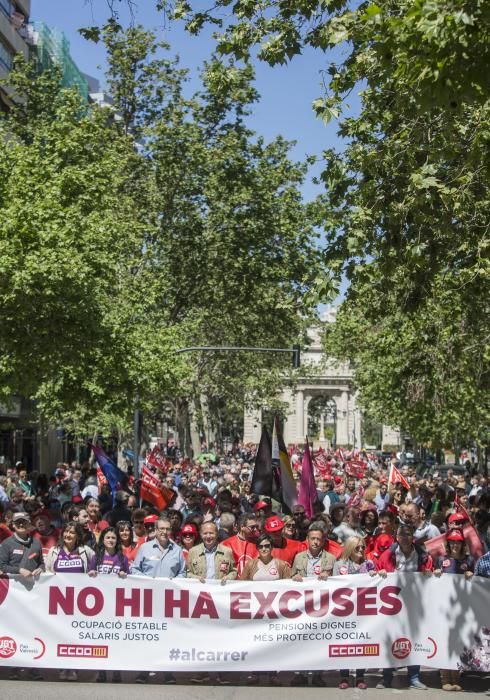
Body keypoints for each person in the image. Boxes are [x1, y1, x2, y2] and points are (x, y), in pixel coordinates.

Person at [376, 524, 433, 689]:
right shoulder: (388, 555)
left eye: (409, 534)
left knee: (414, 640)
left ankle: (414, 677)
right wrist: (379, 574)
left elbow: (429, 574)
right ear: (397, 537)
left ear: (413, 537)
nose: (406, 538)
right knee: (388, 640)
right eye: (402, 535)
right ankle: (386, 677)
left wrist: (432, 573)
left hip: (415, 606)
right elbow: (377, 572)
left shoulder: (422, 556)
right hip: (391, 607)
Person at [131, 517, 185, 685]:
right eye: (161, 528)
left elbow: (183, 573)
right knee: (148, 636)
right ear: (155, 530)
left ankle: (168, 672)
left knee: (168, 637)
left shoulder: (177, 550)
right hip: (148, 600)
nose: (164, 532)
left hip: (168, 602)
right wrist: (148, 580)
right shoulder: (145, 548)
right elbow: (134, 568)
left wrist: (172, 583)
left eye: (167, 529)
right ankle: (144, 671)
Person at [187, 522, 236, 685]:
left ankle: (222, 671)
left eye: (212, 533)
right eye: (205, 533)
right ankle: (203, 671)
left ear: (217, 534)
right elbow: (187, 573)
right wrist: (196, 579)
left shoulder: (227, 551)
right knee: (202, 636)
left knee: (221, 636)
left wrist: (227, 578)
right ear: (201, 535)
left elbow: (234, 571)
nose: (208, 536)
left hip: (220, 600)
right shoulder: (193, 552)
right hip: (200, 600)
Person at [46, 522, 94, 682]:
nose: (68, 535)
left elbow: (96, 568)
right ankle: (61, 666)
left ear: (78, 536)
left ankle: (73, 668)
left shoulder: (86, 552)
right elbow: (47, 574)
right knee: (59, 634)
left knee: (75, 635)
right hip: (58, 602)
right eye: (66, 531)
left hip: (79, 603)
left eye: (72, 533)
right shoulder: (54, 551)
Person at [240, 533, 290, 686]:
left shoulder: (281, 565)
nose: (264, 548)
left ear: (272, 547)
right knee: (255, 642)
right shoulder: (250, 565)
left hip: (275, 612)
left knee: (273, 643)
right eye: (261, 546)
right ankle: (254, 672)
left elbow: (290, 587)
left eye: (267, 545)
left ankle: (273, 673)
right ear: (257, 548)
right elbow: (242, 586)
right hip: (256, 611)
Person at [291, 522, 336, 688]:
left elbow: (340, 583)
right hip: (302, 607)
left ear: (323, 541)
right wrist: (295, 577)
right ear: (307, 540)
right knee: (300, 641)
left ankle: (318, 674)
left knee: (319, 641)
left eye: (319, 539)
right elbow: (291, 577)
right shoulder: (298, 557)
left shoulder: (331, 559)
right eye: (313, 539)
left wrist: (329, 576)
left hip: (322, 607)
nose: (316, 542)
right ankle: (300, 674)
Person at [0, 512, 44, 681]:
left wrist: (40, 567)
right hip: (13, 596)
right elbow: (1, 566)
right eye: (17, 522)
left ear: (29, 524)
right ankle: (13, 666)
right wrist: (19, 570)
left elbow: (40, 562)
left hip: (33, 595)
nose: (20, 525)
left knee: (32, 629)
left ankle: (33, 667)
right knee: (14, 629)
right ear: (13, 525)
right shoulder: (7, 544)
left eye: (24, 522)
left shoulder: (36, 544)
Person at [334, 535, 376, 689]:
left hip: (363, 611)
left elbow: (378, 583)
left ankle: (360, 676)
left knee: (362, 642)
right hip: (344, 610)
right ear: (350, 549)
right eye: (357, 547)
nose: (360, 550)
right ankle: (344, 676)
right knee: (345, 643)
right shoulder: (339, 565)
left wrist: (378, 575)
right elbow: (332, 587)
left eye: (363, 547)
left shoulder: (369, 564)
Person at [433, 530, 474, 691]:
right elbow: (432, 583)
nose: (455, 545)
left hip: (462, 610)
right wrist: (436, 574)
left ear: (463, 544)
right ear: (448, 544)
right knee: (444, 642)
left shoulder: (469, 560)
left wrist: (471, 575)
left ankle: (456, 677)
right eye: (452, 542)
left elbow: (476, 584)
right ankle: (445, 679)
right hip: (444, 609)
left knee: (458, 643)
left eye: (458, 542)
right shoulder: (442, 561)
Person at [87, 527, 128, 682]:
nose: (111, 540)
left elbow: (129, 580)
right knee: (101, 640)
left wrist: (124, 575)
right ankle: (102, 671)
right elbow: (88, 577)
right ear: (102, 540)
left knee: (116, 640)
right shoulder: (96, 557)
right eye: (108, 537)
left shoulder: (122, 558)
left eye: (113, 538)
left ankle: (117, 672)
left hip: (117, 606)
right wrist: (90, 574)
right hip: (99, 607)